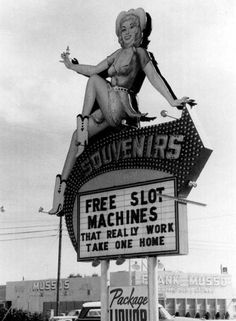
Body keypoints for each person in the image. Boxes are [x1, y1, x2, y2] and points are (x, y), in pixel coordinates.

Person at [49, 8, 195, 215]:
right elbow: (92, 69)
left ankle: (82, 122)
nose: (126, 32)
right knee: (75, 137)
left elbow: (154, 78)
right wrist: (71, 66)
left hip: (120, 106)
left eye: (131, 27)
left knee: (94, 81)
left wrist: (172, 100)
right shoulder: (117, 54)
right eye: (123, 29)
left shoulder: (140, 53)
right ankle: (61, 193)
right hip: (108, 108)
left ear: (140, 31)